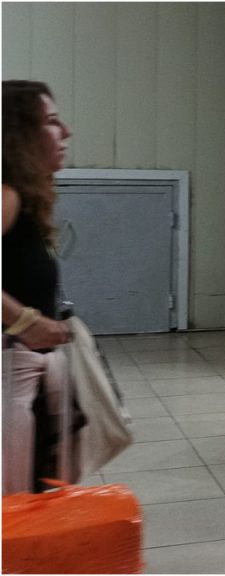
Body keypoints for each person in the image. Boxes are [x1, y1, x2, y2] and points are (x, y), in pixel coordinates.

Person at [2, 80, 74, 494]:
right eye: (50, 121)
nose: (65, 132)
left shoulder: (23, 198)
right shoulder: (7, 194)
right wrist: (27, 321)